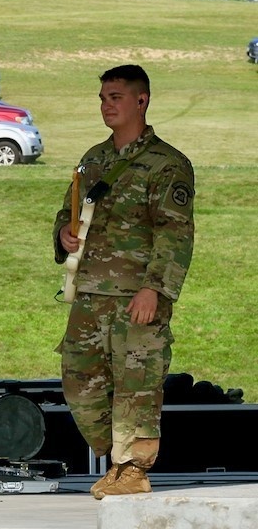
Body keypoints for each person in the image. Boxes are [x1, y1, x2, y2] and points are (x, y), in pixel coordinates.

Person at [53, 64, 195, 500]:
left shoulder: (166, 164)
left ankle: (132, 468)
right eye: (102, 98)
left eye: (115, 97)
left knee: (137, 383)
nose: (106, 105)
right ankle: (115, 455)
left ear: (141, 101)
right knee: (80, 382)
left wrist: (156, 288)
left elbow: (175, 232)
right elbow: (67, 211)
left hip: (138, 295)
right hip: (90, 293)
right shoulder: (93, 159)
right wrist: (62, 234)